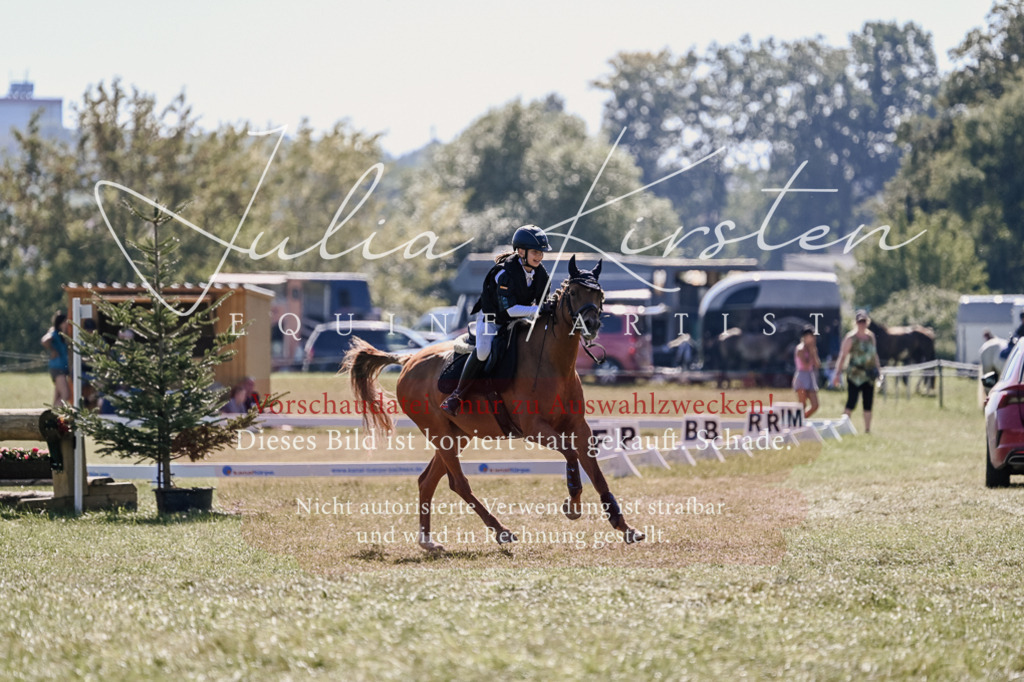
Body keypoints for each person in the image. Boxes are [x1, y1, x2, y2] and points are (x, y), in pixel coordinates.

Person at [440, 225, 552, 416]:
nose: (539, 257)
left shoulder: (541, 274)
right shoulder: (504, 273)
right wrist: (537, 309)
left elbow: (543, 303)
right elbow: (509, 310)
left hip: (518, 319)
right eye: (535, 252)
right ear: (521, 251)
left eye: (541, 252)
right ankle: (457, 396)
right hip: (492, 318)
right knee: (484, 351)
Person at [831, 309, 882, 434]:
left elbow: (874, 354)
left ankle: (867, 429)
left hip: (869, 376)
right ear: (856, 323)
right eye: (860, 322)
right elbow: (843, 356)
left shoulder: (871, 337)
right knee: (851, 401)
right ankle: (843, 428)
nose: (862, 324)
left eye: (864, 322)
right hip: (855, 375)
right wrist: (837, 374)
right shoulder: (851, 338)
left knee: (868, 402)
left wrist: (879, 370)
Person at [41, 311, 71, 407]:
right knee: (65, 395)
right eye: (65, 322)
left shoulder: (63, 335)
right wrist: (52, 349)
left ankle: (52, 415)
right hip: (57, 368)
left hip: (61, 368)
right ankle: (55, 412)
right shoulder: (54, 333)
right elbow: (44, 340)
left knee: (58, 396)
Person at [793, 326, 821, 418]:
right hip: (801, 376)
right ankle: (799, 421)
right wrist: (811, 352)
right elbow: (806, 364)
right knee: (802, 405)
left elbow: (817, 365)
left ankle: (802, 419)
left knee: (815, 405)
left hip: (810, 376)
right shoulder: (800, 349)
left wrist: (813, 351)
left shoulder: (813, 349)